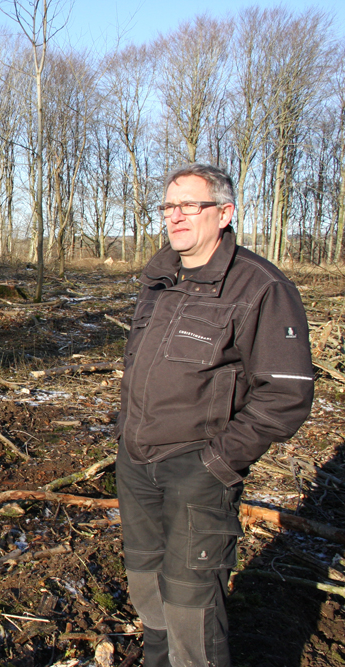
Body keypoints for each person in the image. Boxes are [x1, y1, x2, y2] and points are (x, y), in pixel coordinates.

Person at [115, 163, 314, 667]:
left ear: (224, 214)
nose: (175, 216)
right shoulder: (160, 278)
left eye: (189, 205)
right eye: (168, 205)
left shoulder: (260, 287)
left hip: (196, 471)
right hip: (136, 464)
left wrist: (215, 464)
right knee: (146, 589)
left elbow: (286, 394)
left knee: (191, 608)